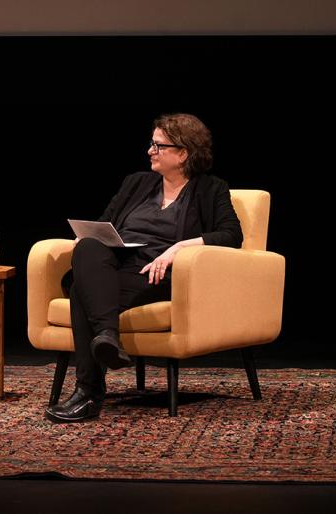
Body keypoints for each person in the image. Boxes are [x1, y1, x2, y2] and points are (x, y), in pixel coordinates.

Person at [45, 113, 242, 423]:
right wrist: (86, 239)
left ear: (184, 153)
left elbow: (231, 235)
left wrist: (178, 248)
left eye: (158, 145)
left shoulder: (211, 189)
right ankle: (107, 337)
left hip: (159, 273)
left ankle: (89, 393)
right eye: (151, 144)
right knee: (88, 246)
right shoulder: (136, 182)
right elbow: (104, 225)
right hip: (118, 267)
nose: (150, 150)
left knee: (83, 293)